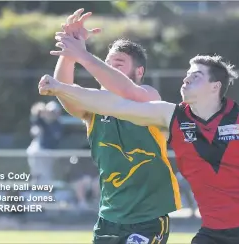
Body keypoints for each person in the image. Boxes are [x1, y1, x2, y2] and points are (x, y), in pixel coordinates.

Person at [39, 31, 239, 243]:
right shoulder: (172, 116)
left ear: (215, 86)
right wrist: (62, 87)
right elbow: (113, 104)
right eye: (187, 74)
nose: (186, 78)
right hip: (213, 233)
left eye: (195, 76)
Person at [50, 9, 181, 244]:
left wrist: (83, 56)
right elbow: (63, 90)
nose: (107, 69)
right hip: (109, 217)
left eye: (117, 64)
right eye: (106, 63)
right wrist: (71, 50)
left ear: (139, 71)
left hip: (148, 216)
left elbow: (129, 91)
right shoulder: (94, 108)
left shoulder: (149, 97)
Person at [27, 101, 63, 184]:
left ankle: (46, 191)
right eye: (50, 112)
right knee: (36, 173)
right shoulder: (41, 121)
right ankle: (36, 190)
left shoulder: (58, 124)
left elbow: (53, 137)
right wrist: (39, 111)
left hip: (49, 152)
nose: (52, 114)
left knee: (47, 174)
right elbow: (35, 118)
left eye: (54, 112)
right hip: (39, 152)